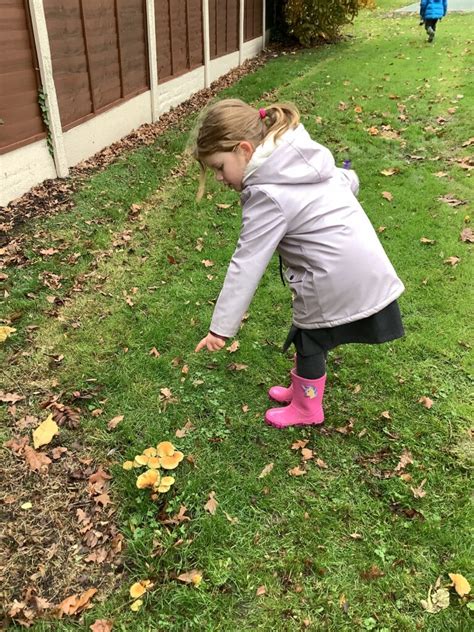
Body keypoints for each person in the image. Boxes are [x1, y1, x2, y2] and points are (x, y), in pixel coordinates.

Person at [192, 99, 405, 429]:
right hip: (357, 263)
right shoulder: (296, 158)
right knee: (308, 333)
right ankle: (302, 390)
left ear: (244, 150)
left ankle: (308, 408)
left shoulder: (268, 193)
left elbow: (246, 263)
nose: (220, 178)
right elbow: (347, 179)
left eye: (220, 167)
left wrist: (221, 328)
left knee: (310, 339)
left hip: (335, 274)